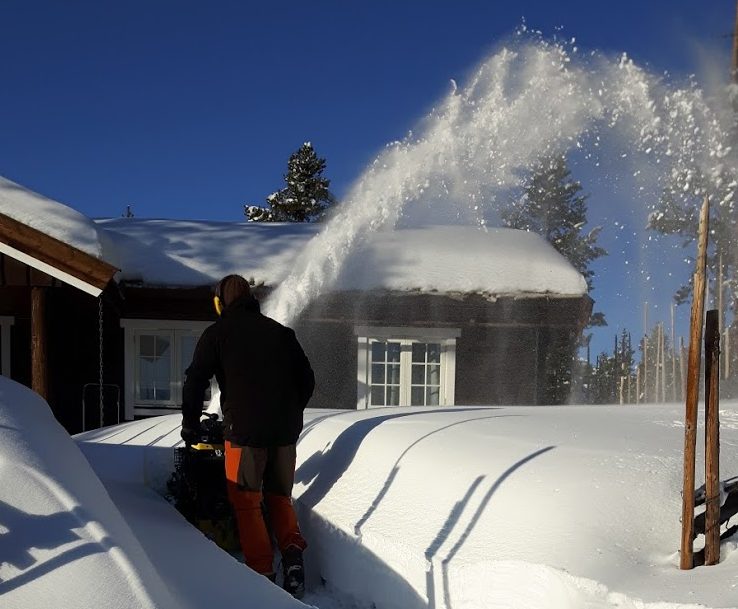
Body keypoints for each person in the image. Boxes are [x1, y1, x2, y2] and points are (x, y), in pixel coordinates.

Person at [180, 274, 315, 598]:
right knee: (279, 496)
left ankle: (262, 574)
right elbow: (307, 379)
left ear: (219, 303)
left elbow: (195, 380)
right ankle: (293, 557)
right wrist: (291, 412)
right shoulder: (282, 333)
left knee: (247, 502)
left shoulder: (218, 334)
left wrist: (190, 424)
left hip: (244, 434)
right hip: (285, 433)